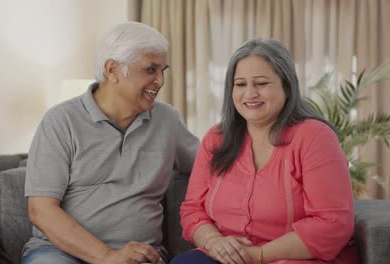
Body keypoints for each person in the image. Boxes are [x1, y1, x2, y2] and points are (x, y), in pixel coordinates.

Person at [22, 21, 199, 264]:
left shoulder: (167, 120)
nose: (160, 81)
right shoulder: (61, 121)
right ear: (112, 70)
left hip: (140, 255)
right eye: (150, 70)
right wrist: (106, 257)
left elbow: (214, 165)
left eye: (162, 71)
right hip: (59, 253)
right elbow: (41, 211)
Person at [171, 39, 358, 264]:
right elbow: (193, 210)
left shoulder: (315, 137)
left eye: (261, 83)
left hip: (296, 257)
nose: (249, 94)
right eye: (240, 84)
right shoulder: (216, 138)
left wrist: (257, 255)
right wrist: (214, 242)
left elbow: (333, 223)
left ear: (286, 87)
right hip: (226, 256)